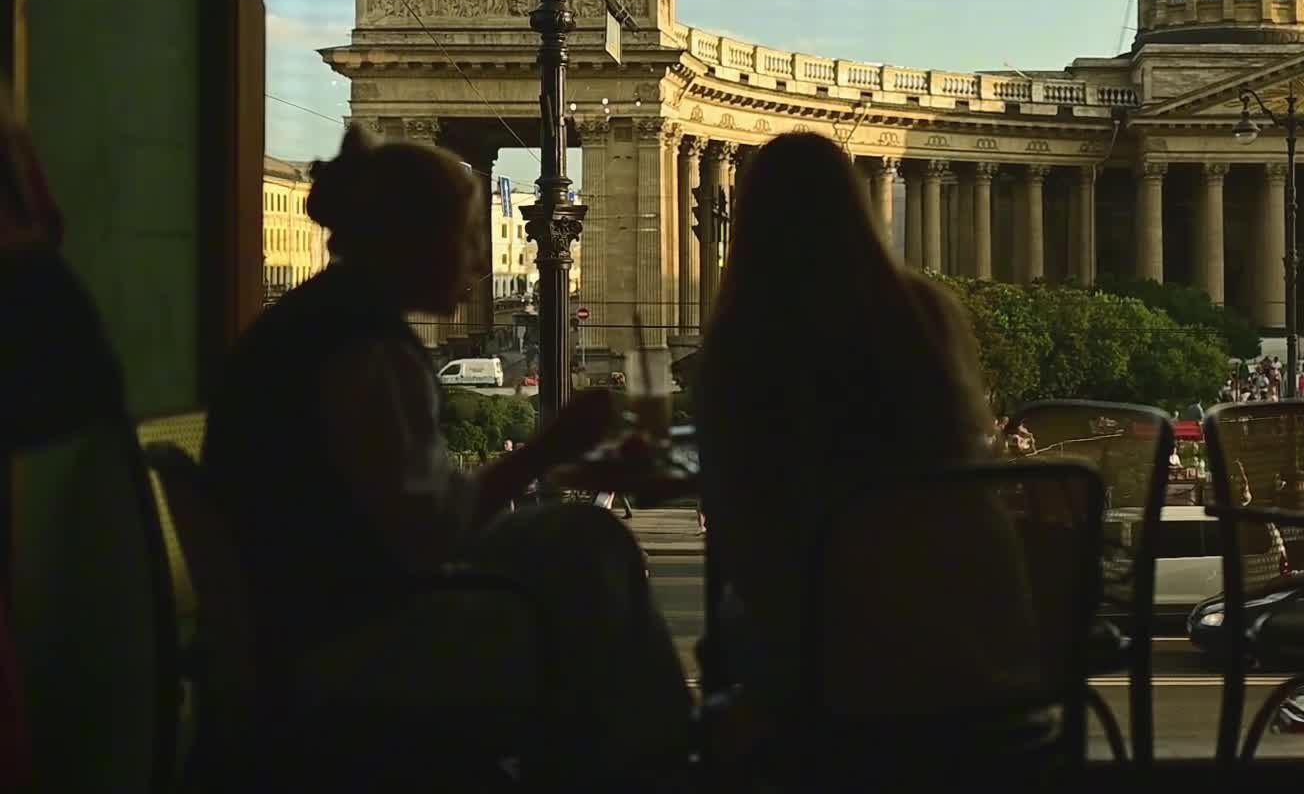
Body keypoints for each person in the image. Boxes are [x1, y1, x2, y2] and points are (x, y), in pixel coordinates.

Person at [200, 125, 690, 785]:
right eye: (468, 240)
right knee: (590, 568)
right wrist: (547, 448)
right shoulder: (366, 353)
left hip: (304, 617)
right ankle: (648, 763)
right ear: (411, 242)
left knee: (582, 536)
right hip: (353, 641)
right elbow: (428, 536)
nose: (481, 265)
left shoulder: (312, 326)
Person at [696, 133, 1039, 732]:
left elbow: (743, 532)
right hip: (976, 644)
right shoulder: (924, 311)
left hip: (832, 668)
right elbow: (970, 449)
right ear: (858, 204)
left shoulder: (745, 340)